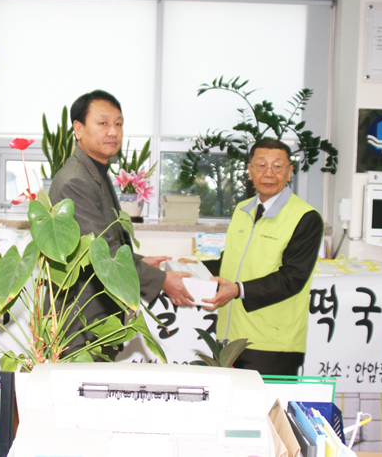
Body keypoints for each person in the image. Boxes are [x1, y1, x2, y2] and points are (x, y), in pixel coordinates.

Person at [48, 89, 193, 360]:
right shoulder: (76, 181)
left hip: (97, 316)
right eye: (103, 123)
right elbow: (102, 254)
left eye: (118, 124)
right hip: (82, 321)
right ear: (78, 128)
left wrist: (139, 261)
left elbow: (103, 241)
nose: (113, 132)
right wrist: (162, 280)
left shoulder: (95, 171)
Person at [203, 139, 323, 376]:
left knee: (268, 402)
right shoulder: (242, 210)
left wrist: (237, 290)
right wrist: (192, 267)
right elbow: (231, 263)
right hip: (229, 339)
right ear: (250, 171)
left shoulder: (305, 217)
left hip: (272, 344)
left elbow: (292, 278)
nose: (269, 173)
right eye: (261, 165)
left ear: (289, 172)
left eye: (277, 166)